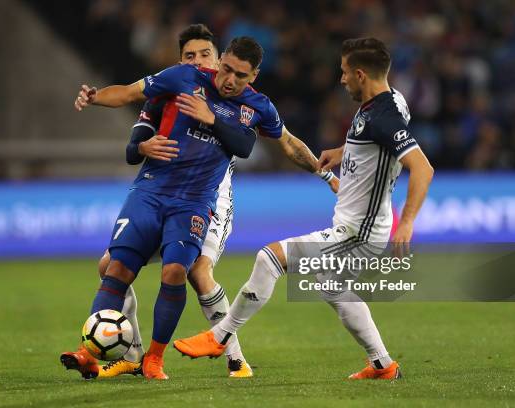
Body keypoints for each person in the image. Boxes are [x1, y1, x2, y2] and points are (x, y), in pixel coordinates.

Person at [62, 36, 337, 380]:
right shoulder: (183, 78)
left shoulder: (258, 108)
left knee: (178, 271)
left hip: (194, 202)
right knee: (115, 267)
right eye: (226, 70)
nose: (229, 79)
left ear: (253, 76)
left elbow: (281, 144)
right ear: (220, 63)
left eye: (240, 75)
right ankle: (87, 351)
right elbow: (132, 93)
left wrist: (325, 175)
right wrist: (96, 97)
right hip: (151, 191)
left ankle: (156, 359)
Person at [173, 37, 434, 380]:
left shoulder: (384, 117)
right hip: (357, 223)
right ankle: (383, 365)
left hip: (360, 232)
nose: (340, 79)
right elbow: (379, 139)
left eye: (343, 73)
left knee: (270, 258)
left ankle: (220, 336)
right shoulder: (388, 103)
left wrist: (408, 223)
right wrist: (346, 151)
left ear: (359, 75)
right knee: (330, 282)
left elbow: (422, 167)